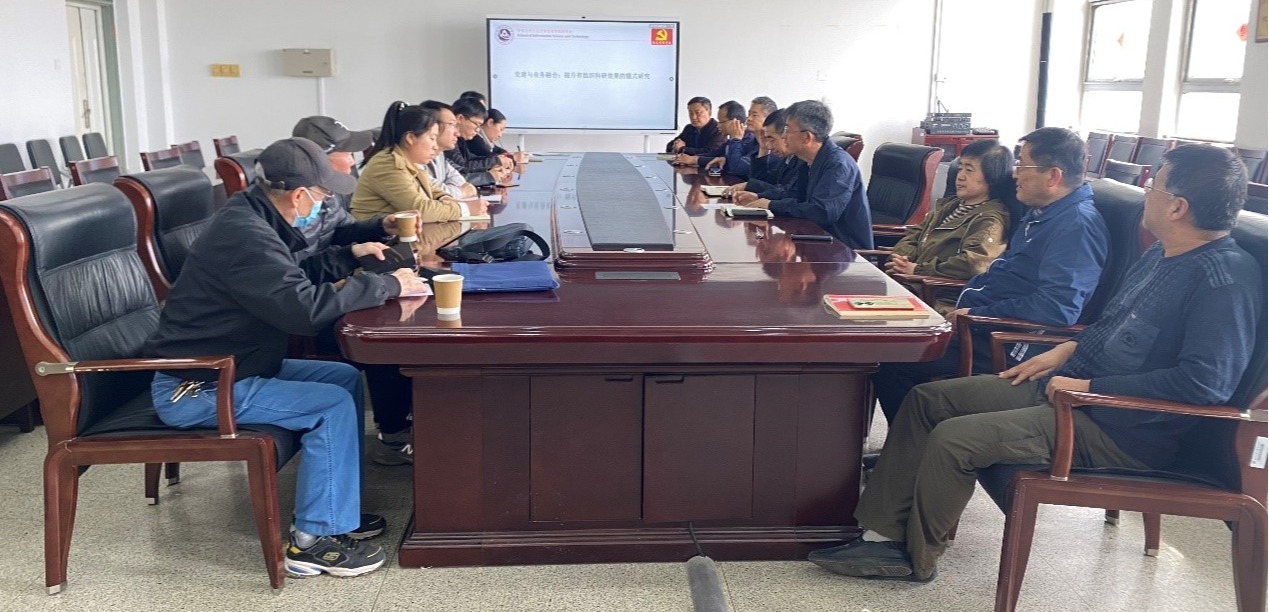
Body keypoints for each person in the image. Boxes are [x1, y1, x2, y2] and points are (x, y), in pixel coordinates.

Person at [808, 144, 1260, 584]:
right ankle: (881, 533)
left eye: (1154, 187)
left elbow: (1206, 383)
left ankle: (914, 558)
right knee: (929, 400)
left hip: (1121, 427)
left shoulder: (1223, 282)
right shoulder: (1161, 253)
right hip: (1070, 387)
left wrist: (1090, 386)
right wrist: (1064, 352)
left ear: (1178, 207)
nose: (1146, 195)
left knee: (954, 438)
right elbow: (1111, 325)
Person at [145, 137, 430, 578]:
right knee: (330, 405)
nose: (325, 204)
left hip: (238, 365)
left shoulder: (254, 215)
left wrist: (348, 255)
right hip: (199, 385)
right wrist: (389, 285)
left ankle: (336, 510)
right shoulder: (246, 235)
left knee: (342, 379)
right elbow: (301, 311)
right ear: (299, 195)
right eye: (323, 195)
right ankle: (313, 542)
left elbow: (285, 278)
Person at [871, 127, 1109, 424]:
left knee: (892, 361)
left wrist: (978, 314)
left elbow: (1058, 308)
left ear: (1053, 176)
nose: (1015, 174)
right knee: (887, 347)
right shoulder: (1043, 214)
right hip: (978, 324)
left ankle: (915, 443)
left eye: (1022, 166)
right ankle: (914, 440)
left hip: (1003, 340)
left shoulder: (1076, 226)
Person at [885, 140, 1015, 313]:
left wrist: (919, 270)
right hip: (909, 284)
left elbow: (974, 264)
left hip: (936, 298)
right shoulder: (949, 206)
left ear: (992, 178)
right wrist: (902, 259)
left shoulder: (990, 219)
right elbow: (914, 234)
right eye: (960, 168)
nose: (960, 176)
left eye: (969, 170)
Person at [738, 100, 874, 250]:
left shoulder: (838, 164)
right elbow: (793, 194)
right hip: (814, 241)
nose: (783, 136)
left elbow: (821, 212)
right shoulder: (807, 160)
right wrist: (759, 197)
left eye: (787, 130)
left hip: (844, 252)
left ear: (807, 137)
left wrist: (771, 205)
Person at [351, 101, 485, 222]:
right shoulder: (387, 164)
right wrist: (465, 209)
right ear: (410, 138)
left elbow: (434, 191)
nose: (435, 146)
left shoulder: (410, 162)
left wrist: (446, 199)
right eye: (432, 138)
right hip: (378, 239)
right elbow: (422, 210)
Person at [730, 109, 807, 202]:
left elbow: (788, 194)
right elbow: (769, 184)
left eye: (772, 140)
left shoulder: (804, 160)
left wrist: (751, 185)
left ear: (785, 135)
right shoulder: (787, 158)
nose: (769, 146)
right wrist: (763, 150)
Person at [417, 100, 485, 197]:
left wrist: (452, 190)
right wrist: (461, 192)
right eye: (452, 125)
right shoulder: (416, 157)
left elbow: (459, 180)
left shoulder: (440, 154)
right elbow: (433, 191)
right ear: (432, 126)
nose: (457, 133)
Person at [674, 100, 757, 176]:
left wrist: (693, 160)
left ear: (734, 122)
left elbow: (733, 164)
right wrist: (688, 159)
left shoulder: (748, 140)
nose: (718, 125)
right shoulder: (731, 140)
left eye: (721, 122)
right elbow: (713, 154)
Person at [446, 97, 515, 176]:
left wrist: (497, 160)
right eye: (476, 124)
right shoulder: (448, 140)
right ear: (460, 118)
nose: (478, 130)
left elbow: (470, 159)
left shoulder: (460, 138)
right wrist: (495, 161)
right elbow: (462, 167)